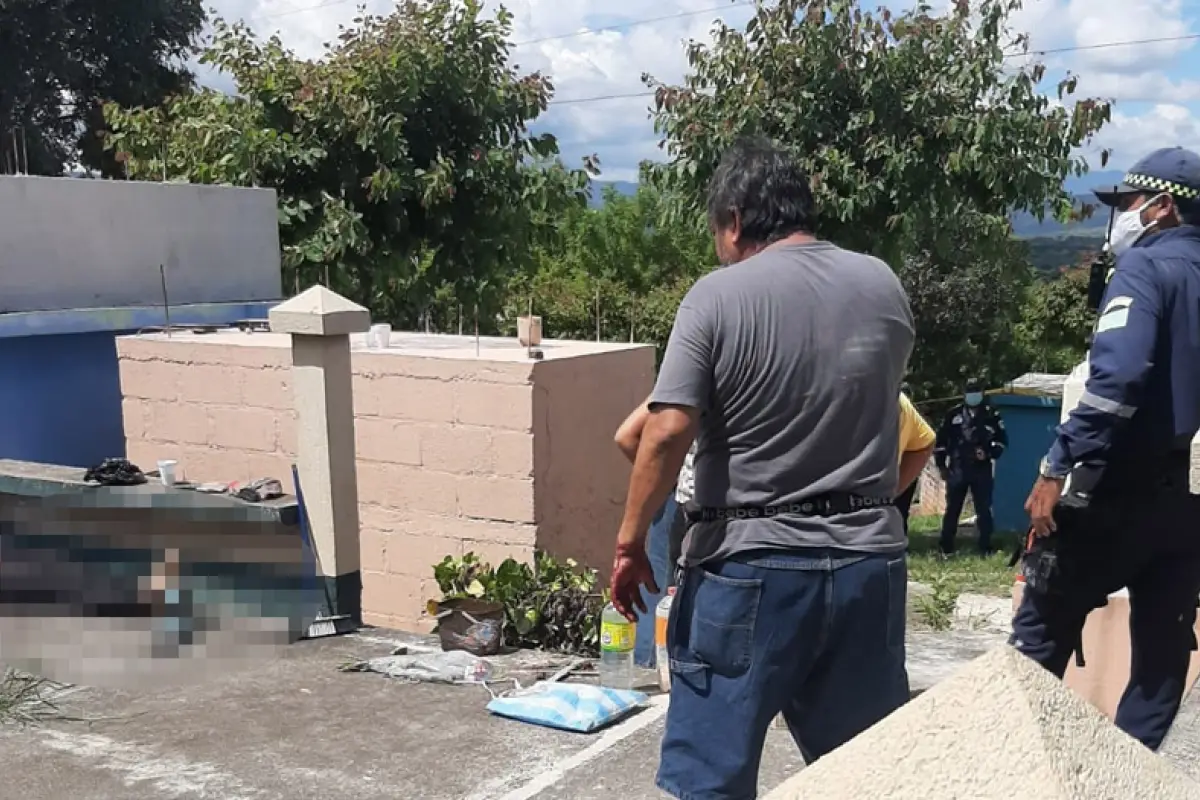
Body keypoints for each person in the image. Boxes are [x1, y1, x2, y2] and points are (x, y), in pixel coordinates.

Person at [606, 136, 914, 799]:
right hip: (870, 566)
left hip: (749, 570)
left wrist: (631, 542)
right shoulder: (882, 284)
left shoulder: (717, 297)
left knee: (710, 780)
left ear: (736, 219)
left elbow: (663, 432)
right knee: (868, 774)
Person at [1013, 147, 1200, 751]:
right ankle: (1125, 780)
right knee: (1161, 660)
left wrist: (1055, 466)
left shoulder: (1145, 270)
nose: (1121, 215)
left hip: (1116, 489)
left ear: (1162, 207)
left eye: (1127, 204)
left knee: (1036, 638)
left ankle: (1013, 768)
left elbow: (1115, 383)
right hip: (1188, 502)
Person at [933, 378, 1007, 555]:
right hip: (958, 468)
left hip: (981, 469)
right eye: (970, 390)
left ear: (982, 393)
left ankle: (985, 546)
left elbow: (1002, 442)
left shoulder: (991, 415)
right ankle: (946, 546)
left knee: (983, 509)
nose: (973, 394)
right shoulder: (953, 415)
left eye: (976, 390)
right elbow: (941, 442)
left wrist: (988, 453)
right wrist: (941, 465)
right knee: (953, 508)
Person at [897, 386, 936, 535]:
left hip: (901, 474)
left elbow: (926, 442)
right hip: (896, 477)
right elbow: (927, 442)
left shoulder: (905, 408)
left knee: (901, 512)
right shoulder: (902, 405)